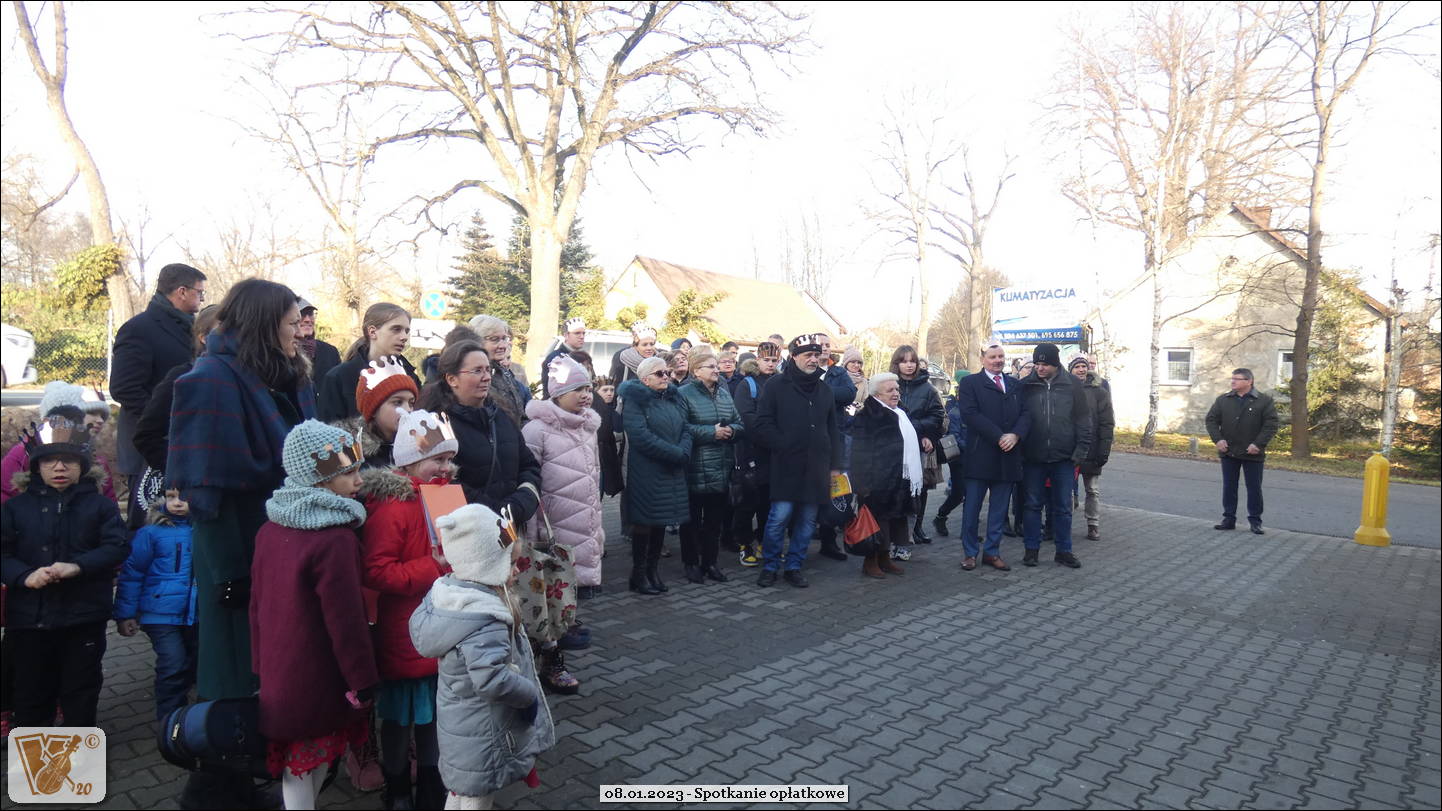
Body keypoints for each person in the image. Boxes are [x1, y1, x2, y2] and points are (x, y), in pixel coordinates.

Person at [168, 278, 315, 702]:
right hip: (237, 549)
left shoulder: (282, 375)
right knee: (237, 664)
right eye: (291, 323)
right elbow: (207, 491)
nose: (300, 332)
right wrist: (230, 575)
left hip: (283, 539)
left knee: (281, 663)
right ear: (265, 324)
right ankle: (229, 739)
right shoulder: (211, 380)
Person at [251, 420, 378, 810]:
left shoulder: (270, 528)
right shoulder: (335, 540)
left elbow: (256, 605)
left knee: (302, 763)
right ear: (318, 478)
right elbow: (346, 620)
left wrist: (259, 664)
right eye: (348, 472)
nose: (359, 480)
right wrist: (363, 680)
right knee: (307, 763)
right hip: (319, 676)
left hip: (280, 671)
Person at [409, 503, 555, 811]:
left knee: (462, 792)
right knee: (476, 797)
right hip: (484, 732)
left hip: (464, 726)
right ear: (485, 566)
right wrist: (528, 694)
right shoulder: (484, 619)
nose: (517, 570)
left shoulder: (452, 595)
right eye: (511, 563)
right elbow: (491, 680)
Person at [359, 409, 459, 810]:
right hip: (404, 634)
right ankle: (398, 786)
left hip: (439, 629)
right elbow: (376, 571)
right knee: (400, 721)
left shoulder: (445, 498)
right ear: (409, 461)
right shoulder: (392, 507)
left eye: (449, 459)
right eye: (437, 459)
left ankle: (432, 786)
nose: (446, 467)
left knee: (434, 716)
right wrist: (434, 566)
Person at [1, 416, 129, 728]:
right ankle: (34, 755)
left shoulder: (100, 506)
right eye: (50, 461)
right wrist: (24, 575)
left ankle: (79, 754)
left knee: (80, 690)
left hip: (83, 617)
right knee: (31, 692)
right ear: (36, 467)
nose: (59, 468)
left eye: (69, 461)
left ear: (82, 466)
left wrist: (78, 566)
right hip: (29, 619)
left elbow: (117, 546)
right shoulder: (14, 509)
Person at [112, 263, 207, 528]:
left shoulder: (191, 328)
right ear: (182, 291)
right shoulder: (139, 329)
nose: (202, 299)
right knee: (148, 528)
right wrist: (164, 420)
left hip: (182, 446)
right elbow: (124, 388)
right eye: (200, 292)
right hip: (149, 449)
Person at [750, 335, 842, 588]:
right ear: (793, 357)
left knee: (807, 520)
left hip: (817, 467)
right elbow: (762, 424)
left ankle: (794, 566)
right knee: (779, 518)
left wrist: (836, 466)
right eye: (807, 355)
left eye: (816, 355)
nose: (813, 360)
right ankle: (770, 566)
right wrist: (784, 444)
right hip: (786, 465)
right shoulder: (776, 385)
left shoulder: (825, 390)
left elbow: (833, 430)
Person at [521, 355, 604, 627]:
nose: (585, 395)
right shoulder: (537, 430)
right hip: (553, 520)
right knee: (553, 579)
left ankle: (569, 623)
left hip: (585, 517)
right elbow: (529, 479)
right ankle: (554, 632)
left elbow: (593, 473)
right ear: (558, 393)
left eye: (588, 388)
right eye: (577, 389)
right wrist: (533, 529)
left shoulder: (588, 428)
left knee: (575, 581)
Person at [114, 486, 197, 722]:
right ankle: (169, 722)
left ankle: (190, 722)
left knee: (193, 665)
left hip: (197, 613)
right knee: (173, 664)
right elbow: (133, 573)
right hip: (159, 613)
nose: (177, 503)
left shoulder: (206, 530)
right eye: (171, 497)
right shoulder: (151, 533)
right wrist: (125, 614)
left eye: (184, 497)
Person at [618, 356, 692, 594]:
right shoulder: (635, 400)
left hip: (671, 469)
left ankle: (653, 570)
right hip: (648, 470)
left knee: (661, 520)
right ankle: (638, 575)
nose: (666, 377)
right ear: (645, 379)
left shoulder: (672, 398)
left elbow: (686, 428)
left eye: (667, 372)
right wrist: (674, 453)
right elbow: (640, 436)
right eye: (660, 374)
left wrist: (684, 450)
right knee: (645, 522)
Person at [1018, 343, 1092, 569]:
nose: (1039, 368)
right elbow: (1017, 418)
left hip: (1064, 458)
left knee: (1063, 507)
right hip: (1033, 457)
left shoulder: (1072, 385)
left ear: (1055, 364)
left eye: (1044, 364)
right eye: (1037, 364)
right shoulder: (1026, 385)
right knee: (1032, 505)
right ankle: (1031, 550)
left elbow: (1083, 419)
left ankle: (1064, 551)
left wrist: (1080, 451)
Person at [956, 345, 1030, 572]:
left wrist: (1015, 435)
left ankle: (992, 552)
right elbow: (970, 414)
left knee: (999, 509)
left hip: (1008, 456)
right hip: (980, 455)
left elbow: (1026, 413)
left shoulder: (1015, 384)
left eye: (1001, 356)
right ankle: (970, 553)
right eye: (992, 357)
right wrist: (999, 436)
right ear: (983, 359)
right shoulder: (970, 383)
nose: (998, 360)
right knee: (972, 508)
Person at [677, 350, 743, 585]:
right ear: (696, 371)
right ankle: (691, 563)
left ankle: (710, 563)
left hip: (721, 467)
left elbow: (739, 423)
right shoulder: (683, 394)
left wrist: (731, 431)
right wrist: (710, 433)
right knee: (691, 522)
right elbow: (681, 427)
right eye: (711, 366)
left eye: (717, 366)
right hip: (694, 467)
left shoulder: (724, 394)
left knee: (714, 522)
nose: (717, 370)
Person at [132, 305, 222, 474]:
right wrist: (184, 469)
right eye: (224, 329)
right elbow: (147, 435)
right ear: (203, 338)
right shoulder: (183, 377)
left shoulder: (249, 376)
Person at [849, 374, 919, 579]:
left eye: (897, 389)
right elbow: (858, 452)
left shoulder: (899, 413)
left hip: (898, 478)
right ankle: (870, 561)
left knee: (892, 521)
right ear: (877, 395)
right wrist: (861, 484)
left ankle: (885, 557)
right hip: (875, 480)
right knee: (875, 523)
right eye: (890, 390)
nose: (896, 393)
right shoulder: (867, 416)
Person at [2, 386, 117, 504]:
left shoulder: (96, 457)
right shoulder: (22, 454)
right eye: (91, 413)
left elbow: (109, 502)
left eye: (102, 415)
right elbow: (5, 497)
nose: (100, 420)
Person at [1205, 367, 1279, 535]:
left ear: (1249, 381)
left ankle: (1255, 521)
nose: (1232, 382)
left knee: (1254, 488)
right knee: (1229, 487)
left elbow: (1271, 425)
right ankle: (1228, 519)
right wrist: (1218, 440)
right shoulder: (1223, 400)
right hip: (1229, 451)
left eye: (1237, 379)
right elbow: (1211, 420)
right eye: (1232, 378)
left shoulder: (1264, 401)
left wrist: (1258, 444)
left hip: (1252, 453)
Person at [318, 303, 420, 423]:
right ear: (372, 332)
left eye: (407, 331)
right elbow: (328, 427)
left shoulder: (410, 377)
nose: (404, 337)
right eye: (396, 329)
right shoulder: (339, 377)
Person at [730, 343, 781, 567]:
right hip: (751, 451)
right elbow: (747, 419)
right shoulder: (747, 384)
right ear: (757, 359)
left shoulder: (780, 383)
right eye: (766, 360)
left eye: (774, 360)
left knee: (768, 504)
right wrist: (772, 438)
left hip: (773, 454)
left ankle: (763, 542)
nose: (770, 364)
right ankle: (744, 544)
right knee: (747, 502)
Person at [891, 346, 944, 549]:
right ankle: (897, 531)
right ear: (897, 363)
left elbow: (937, 416)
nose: (909, 365)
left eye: (912, 361)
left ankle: (917, 526)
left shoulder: (928, 389)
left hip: (918, 445)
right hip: (893, 446)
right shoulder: (890, 384)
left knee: (919, 487)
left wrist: (922, 433)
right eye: (904, 361)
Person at [812, 334, 858, 562]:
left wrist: (821, 391)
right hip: (810, 440)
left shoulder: (838, 373)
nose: (824, 348)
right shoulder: (805, 370)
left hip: (835, 438)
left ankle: (829, 541)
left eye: (828, 345)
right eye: (820, 345)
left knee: (835, 490)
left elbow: (849, 393)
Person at [347, 355, 422, 469]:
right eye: (397, 402)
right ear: (374, 410)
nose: (407, 410)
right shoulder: (350, 454)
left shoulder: (419, 450)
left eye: (411, 403)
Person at [1069, 355, 1114, 541]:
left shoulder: (1099, 392)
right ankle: (1062, 524)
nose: (1081, 369)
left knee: (1092, 490)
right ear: (1070, 370)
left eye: (1083, 366)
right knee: (1066, 491)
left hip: (1092, 449)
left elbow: (1107, 423)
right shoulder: (1064, 390)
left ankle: (1093, 524)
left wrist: (1104, 450)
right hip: (1070, 450)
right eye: (1077, 366)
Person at [467, 315, 530, 429]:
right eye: (494, 339)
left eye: (504, 339)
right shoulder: (466, 376)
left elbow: (522, 414)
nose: (503, 345)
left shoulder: (504, 374)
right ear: (476, 341)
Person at [932, 370, 971, 536]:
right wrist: (972, 448)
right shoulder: (955, 413)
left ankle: (968, 530)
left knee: (971, 495)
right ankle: (941, 516)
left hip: (973, 459)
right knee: (958, 494)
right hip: (959, 460)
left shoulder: (974, 412)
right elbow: (954, 437)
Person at [297, 297, 343, 393]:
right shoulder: (284, 351)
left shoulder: (330, 352)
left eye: (310, 314)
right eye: (302, 314)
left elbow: (339, 388)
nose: (308, 320)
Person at [541, 317, 587, 398]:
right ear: (566, 335)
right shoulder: (555, 358)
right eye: (577, 333)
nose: (582, 336)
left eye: (583, 333)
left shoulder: (584, 357)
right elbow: (552, 391)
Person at [608, 321, 659, 387]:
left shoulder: (660, 359)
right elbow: (614, 383)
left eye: (652, 344)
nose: (649, 348)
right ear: (635, 346)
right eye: (644, 345)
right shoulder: (622, 357)